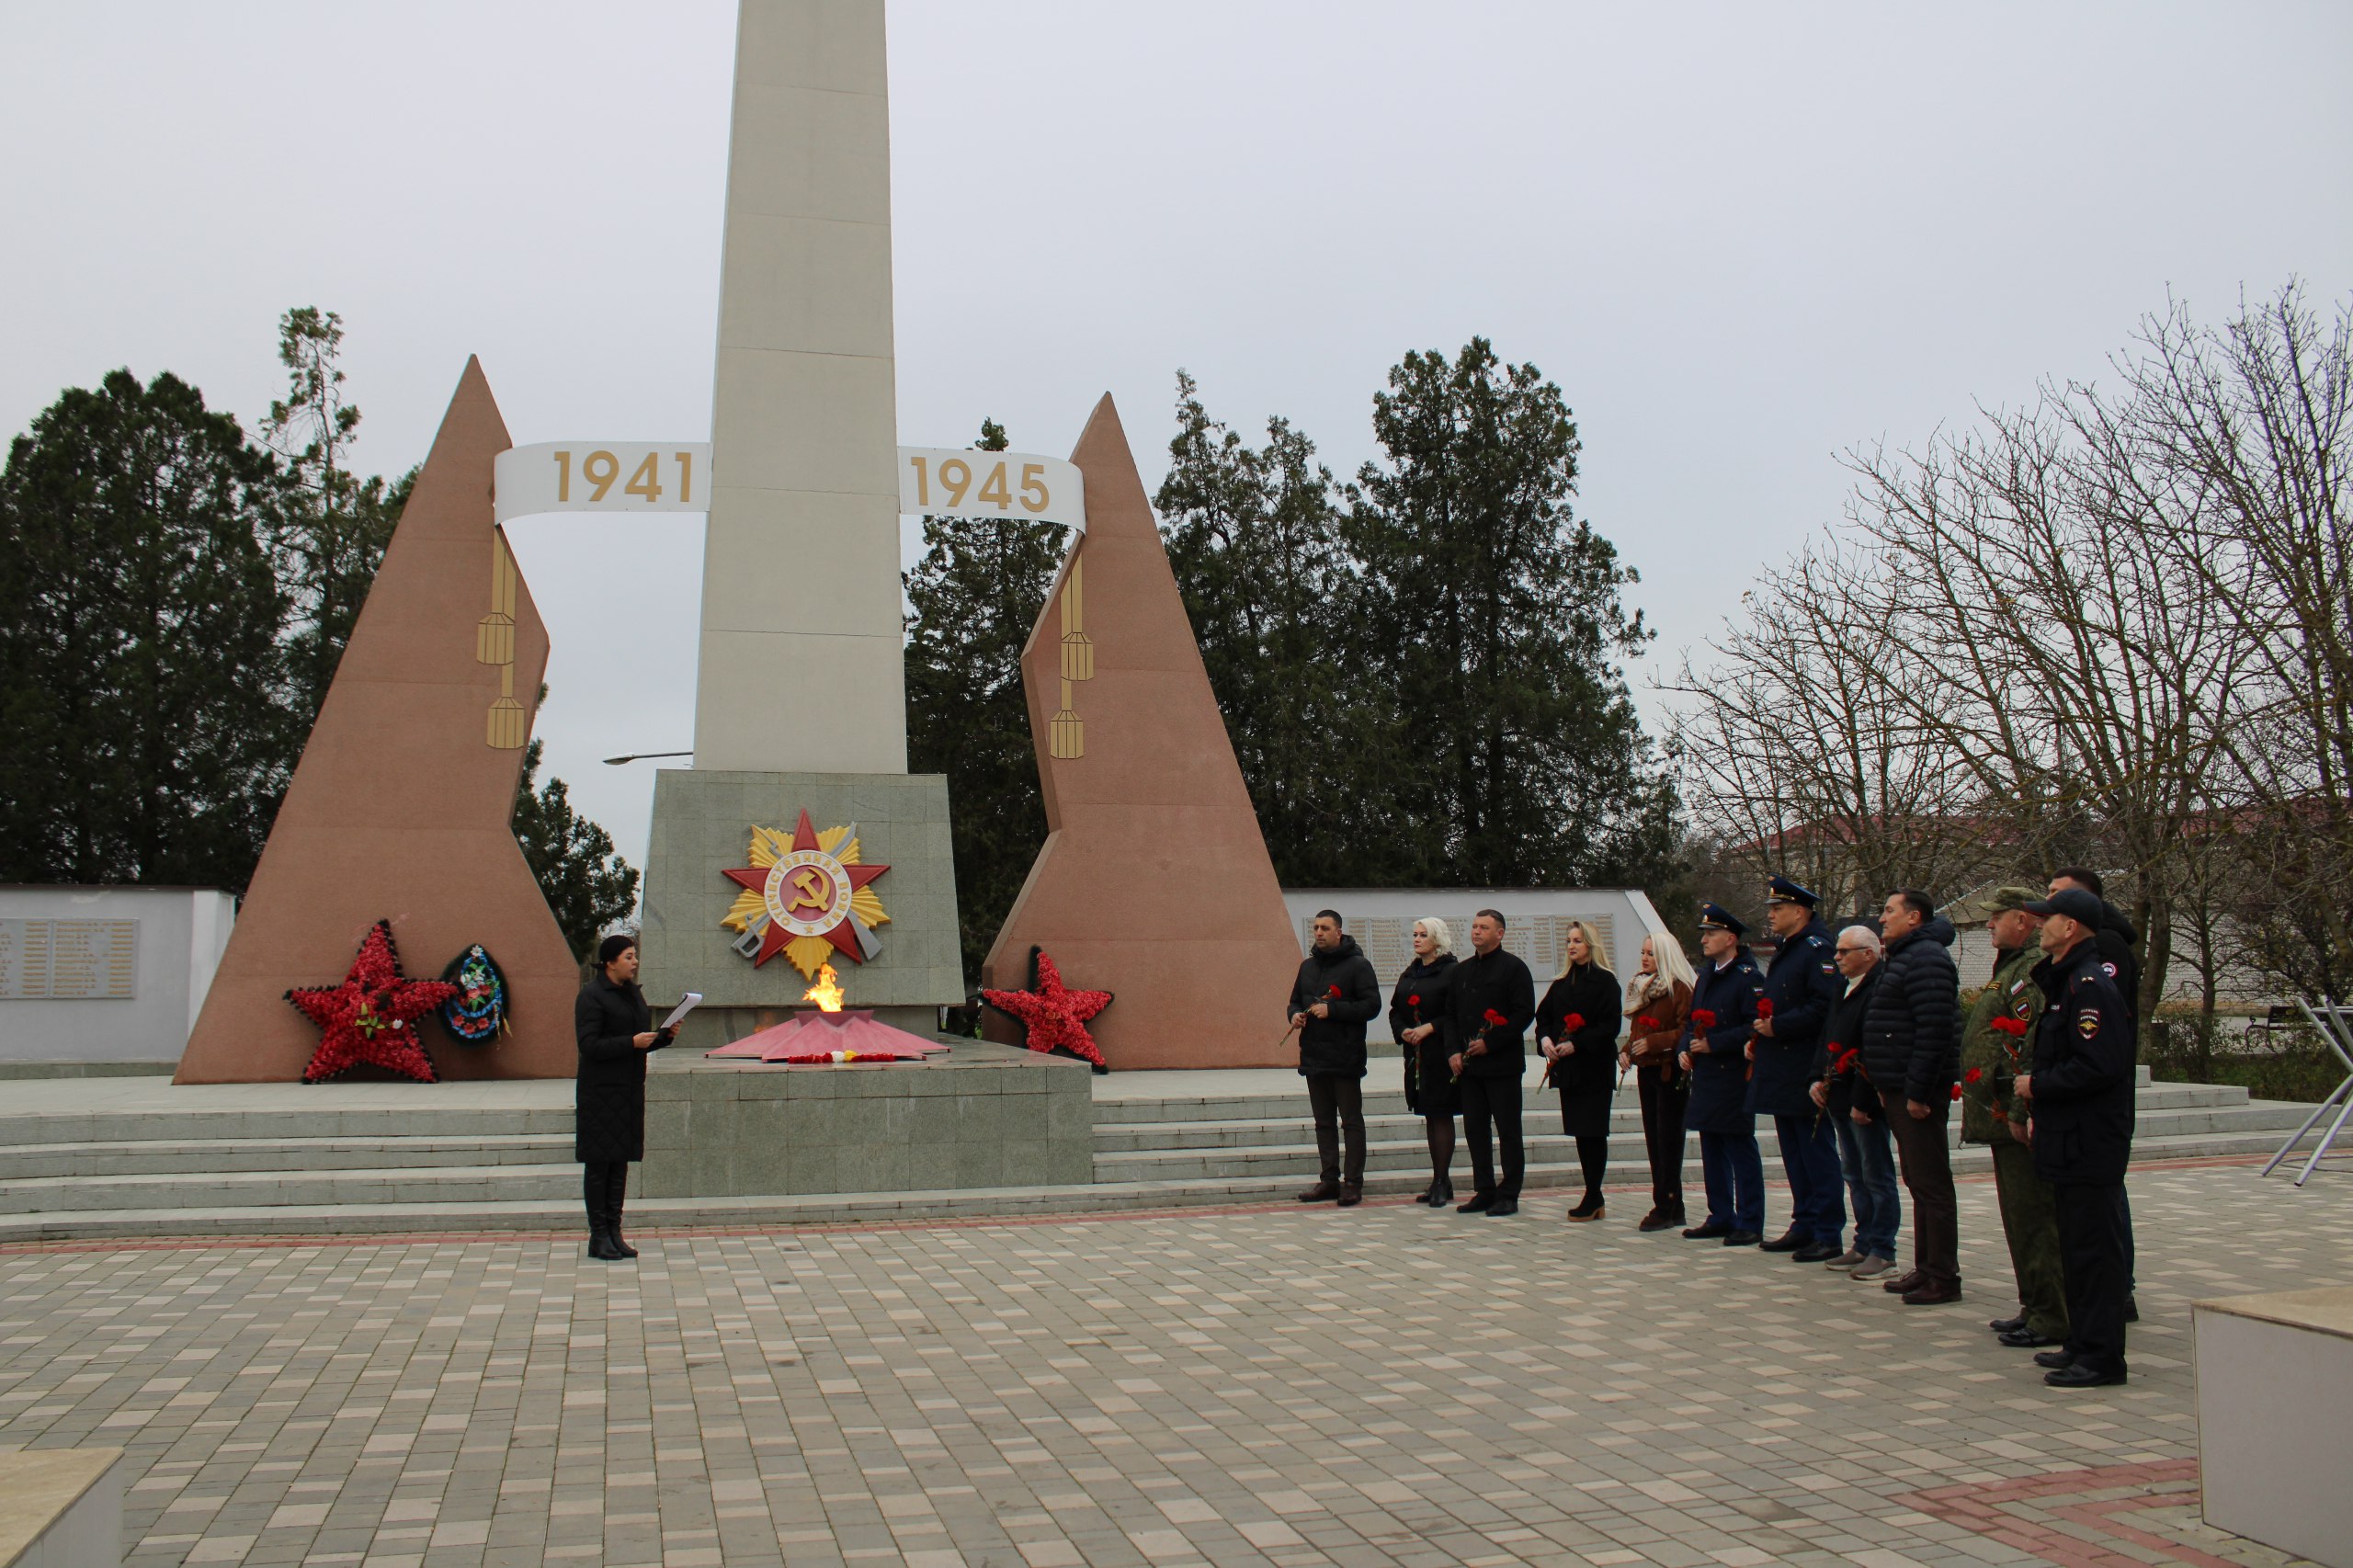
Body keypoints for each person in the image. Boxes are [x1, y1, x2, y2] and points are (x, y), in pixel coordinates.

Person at [2015, 886, 2136, 1388]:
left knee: (2094, 1252)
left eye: (2049, 918)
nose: (2040, 925)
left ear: (2071, 927)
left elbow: (2099, 1065)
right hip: (2069, 1136)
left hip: (2091, 1140)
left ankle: (2103, 1358)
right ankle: (2083, 1343)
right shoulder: (2067, 981)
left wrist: (2037, 1085)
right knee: (2075, 1248)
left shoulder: (2089, 985)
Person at [1960, 887, 2061, 1347]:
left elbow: (2030, 1045)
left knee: (2034, 1218)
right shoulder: (2014, 967)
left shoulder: (2032, 972)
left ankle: (2051, 1314)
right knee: (2018, 1218)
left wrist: (2022, 1109)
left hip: (2015, 1114)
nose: (1988, 925)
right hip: (2000, 1115)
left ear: (2023, 920)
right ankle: (2034, 1305)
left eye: (1996, 917)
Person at [1862, 888, 1963, 1304]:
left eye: (1889, 911)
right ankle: (1926, 1268)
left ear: (1915, 917)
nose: (1882, 919)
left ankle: (1943, 1275)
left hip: (1916, 1090)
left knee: (1931, 1184)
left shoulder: (1926, 959)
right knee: (1918, 1181)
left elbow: (1935, 1029)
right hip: (1899, 1087)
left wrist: (1918, 1092)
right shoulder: (1905, 956)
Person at [2050, 866, 2141, 1323]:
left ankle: (2117, 1291)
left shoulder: (2104, 953)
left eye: (2055, 898)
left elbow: (2099, 1046)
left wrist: (2043, 1082)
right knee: (2082, 1219)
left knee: (2101, 1210)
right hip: (2071, 1112)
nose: (2043, 908)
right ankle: (2090, 1310)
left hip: (2097, 1110)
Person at [1749, 877, 1847, 1261]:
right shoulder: (1790, 948)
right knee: (1794, 1151)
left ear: (1800, 912)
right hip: (1782, 1064)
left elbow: (1824, 1007)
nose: (1771, 915)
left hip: (1804, 1064)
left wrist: (1779, 1026)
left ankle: (1827, 1231)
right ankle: (1804, 1222)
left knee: (1815, 1152)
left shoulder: (1816, 949)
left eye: (1777, 909)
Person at [574, 934, 674, 1261]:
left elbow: (638, 1040)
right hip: (600, 1093)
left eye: (635, 956)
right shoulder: (592, 996)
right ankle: (598, 1236)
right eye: (629, 957)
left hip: (628, 1090)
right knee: (600, 1165)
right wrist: (630, 1043)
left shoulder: (633, 995)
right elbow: (589, 1045)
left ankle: (615, 1233)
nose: (635, 962)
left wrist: (663, 1037)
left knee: (619, 1164)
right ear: (610, 961)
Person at [1813, 925, 1901, 1278]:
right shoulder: (1842, 987)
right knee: (1854, 1173)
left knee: (1876, 1175)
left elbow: (1874, 1046)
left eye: (1844, 951)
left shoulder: (1879, 987)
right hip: (1837, 1095)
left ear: (1869, 953)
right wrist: (1816, 1078)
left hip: (1863, 1101)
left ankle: (1883, 1248)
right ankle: (1863, 1242)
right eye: (1837, 951)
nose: (1837, 958)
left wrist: (1863, 1101)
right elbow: (1827, 1037)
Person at [1679, 904, 1766, 1245]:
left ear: (1730, 939)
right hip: (1706, 1076)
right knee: (1711, 1146)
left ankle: (1750, 1219)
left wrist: (1713, 1044)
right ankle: (1720, 1214)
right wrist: (1685, 1048)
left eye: (1711, 933)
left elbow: (1752, 1027)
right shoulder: (1706, 976)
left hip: (1732, 1074)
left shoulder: (1748, 978)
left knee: (1739, 1149)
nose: (1704, 939)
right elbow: (1690, 1022)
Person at [1287, 909, 1382, 1207]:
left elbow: (1372, 1005)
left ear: (1338, 932)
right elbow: (1293, 1001)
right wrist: (1294, 1016)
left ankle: (1353, 1183)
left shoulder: (1358, 965)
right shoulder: (1307, 967)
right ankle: (1329, 1180)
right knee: (1323, 1122)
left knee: (1350, 1121)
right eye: (1315, 927)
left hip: (1345, 1056)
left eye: (1325, 928)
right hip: (1314, 1055)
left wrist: (1334, 1010)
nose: (1318, 932)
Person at [1449, 909, 1535, 1217]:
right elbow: (1452, 1016)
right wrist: (1454, 1052)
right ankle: (1484, 1190)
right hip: (1470, 1068)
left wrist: (1492, 1041)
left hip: (1502, 1066)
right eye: (1474, 926)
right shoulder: (1462, 971)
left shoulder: (1514, 968)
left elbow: (1523, 1013)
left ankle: (1509, 1193)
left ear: (1500, 933)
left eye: (1484, 927)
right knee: (1475, 1129)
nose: (1477, 932)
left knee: (1508, 1130)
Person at [1537, 919, 1621, 1221]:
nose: (1572, 946)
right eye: (1569, 941)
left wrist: (1579, 1043)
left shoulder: (1605, 981)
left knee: (1593, 1131)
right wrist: (1545, 1039)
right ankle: (1591, 1191)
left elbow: (1610, 1025)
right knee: (1580, 1133)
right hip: (1569, 1070)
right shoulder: (1562, 983)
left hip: (1594, 1068)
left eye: (1578, 941)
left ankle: (1594, 1193)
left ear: (1591, 945)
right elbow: (1544, 1016)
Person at [1621, 934, 1695, 1231]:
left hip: (1669, 1071)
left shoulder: (1679, 988)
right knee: (1654, 1138)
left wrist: (1654, 1042)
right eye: (1642, 952)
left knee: (1668, 1139)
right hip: (1646, 1071)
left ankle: (1666, 1204)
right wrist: (1626, 1052)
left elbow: (1685, 1029)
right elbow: (1637, 1031)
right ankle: (1672, 1205)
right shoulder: (1642, 987)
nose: (1644, 958)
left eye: (1651, 953)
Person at [1392, 917, 1462, 1207]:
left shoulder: (1451, 972)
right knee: (1429, 1115)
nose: (1417, 939)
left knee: (1441, 1114)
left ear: (1437, 939)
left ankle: (1440, 1180)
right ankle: (1442, 1181)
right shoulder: (1411, 972)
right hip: (1416, 1053)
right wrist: (1404, 1032)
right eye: (1415, 934)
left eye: (1423, 935)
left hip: (1440, 1053)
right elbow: (1396, 1009)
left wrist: (1429, 1027)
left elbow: (1457, 1013)